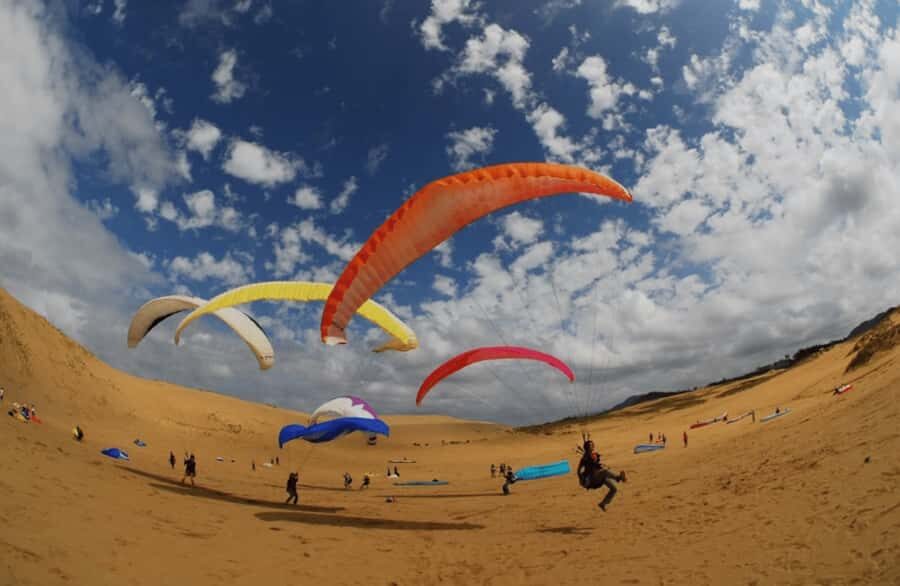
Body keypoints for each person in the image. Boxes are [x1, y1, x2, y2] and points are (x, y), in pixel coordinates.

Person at [577, 438, 626, 512]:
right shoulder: (585, 458)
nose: (593, 445)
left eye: (592, 444)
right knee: (605, 471)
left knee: (614, 489)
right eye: (590, 445)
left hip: (599, 477)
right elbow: (578, 471)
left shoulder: (594, 455)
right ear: (587, 448)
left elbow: (596, 464)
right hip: (592, 479)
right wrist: (582, 480)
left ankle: (603, 503)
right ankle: (618, 478)